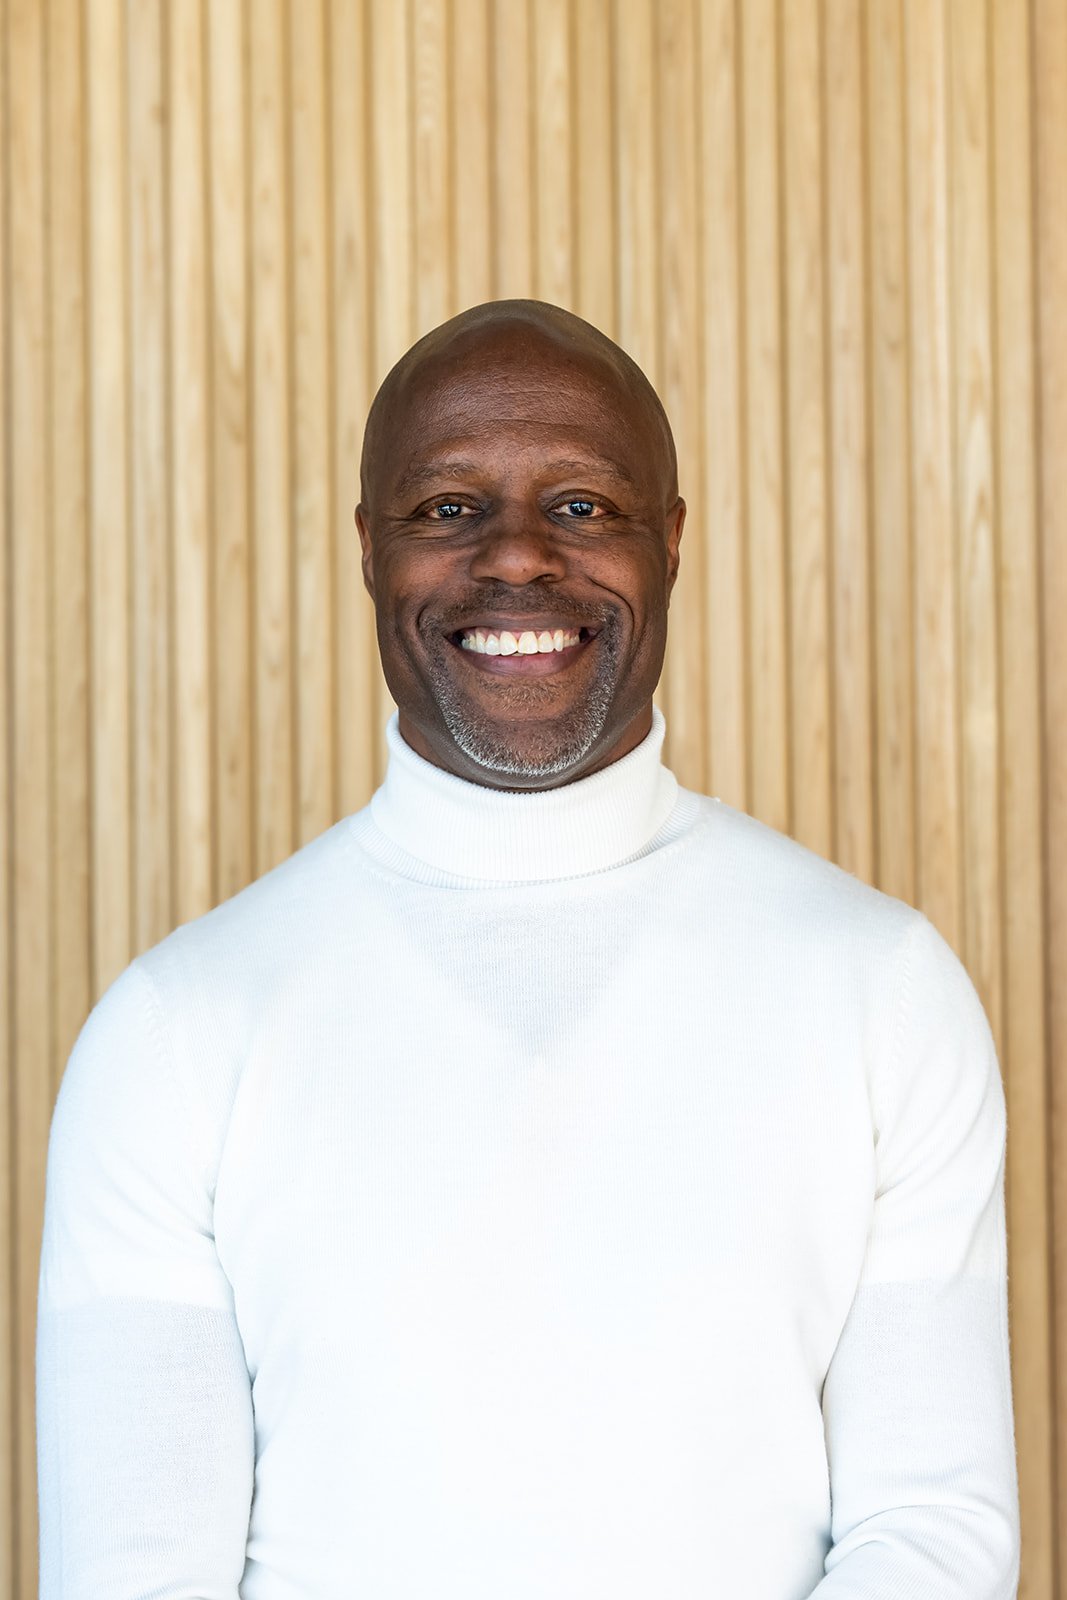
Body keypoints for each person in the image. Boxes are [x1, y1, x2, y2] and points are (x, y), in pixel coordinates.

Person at [36, 299, 1019, 1598]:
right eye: (448, 507)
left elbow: (933, 1528)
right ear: (369, 547)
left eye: (581, 506)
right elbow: (134, 1572)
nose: (514, 558)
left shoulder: (884, 992)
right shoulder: (174, 1034)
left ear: (672, 541)